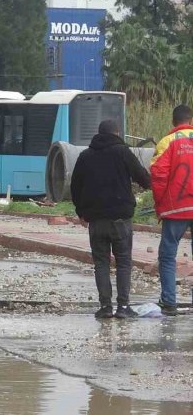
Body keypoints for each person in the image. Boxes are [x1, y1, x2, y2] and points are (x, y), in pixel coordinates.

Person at [71, 119, 151, 319]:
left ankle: (106, 307)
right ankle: (123, 307)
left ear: (99, 134)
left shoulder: (85, 156)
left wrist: (81, 212)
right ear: (116, 133)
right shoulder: (123, 152)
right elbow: (144, 179)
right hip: (120, 220)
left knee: (101, 263)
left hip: (96, 221)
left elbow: (75, 187)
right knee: (124, 263)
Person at [150, 104, 193, 317]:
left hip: (177, 208)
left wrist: (160, 206)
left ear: (173, 121)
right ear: (190, 120)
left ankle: (169, 302)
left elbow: (158, 176)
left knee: (168, 255)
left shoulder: (168, 142)